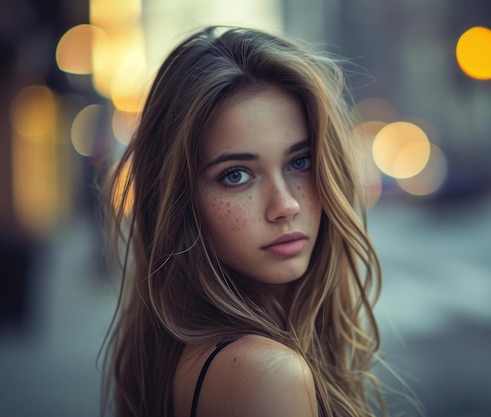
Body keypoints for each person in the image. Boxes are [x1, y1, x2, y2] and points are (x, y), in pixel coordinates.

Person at [101, 26, 405, 417]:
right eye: (236, 175)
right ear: (180, 202)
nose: (286, 205)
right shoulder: (265, 375)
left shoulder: (189, 352)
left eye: (300, 162)